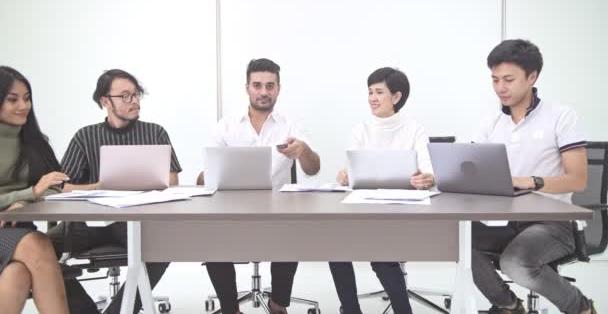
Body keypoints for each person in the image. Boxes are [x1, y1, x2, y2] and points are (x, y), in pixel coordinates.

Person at [472, 39, 596, 314]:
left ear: (532, 77)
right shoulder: (489, 123)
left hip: (556, 223)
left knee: (515, 262)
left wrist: (532, 181)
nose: (500, 88)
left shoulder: (561, 116)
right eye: (494, 80)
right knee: (456, 242)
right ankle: (508, 306)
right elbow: (475, 172)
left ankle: (582, 308)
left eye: (508, 80)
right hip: (505, 222)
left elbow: (578, 179)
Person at [47, 69, 182, 314]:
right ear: (105, 101)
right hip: (85, 225)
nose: (135, 101)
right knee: (38, 248)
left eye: (137, 95)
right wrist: (97, 187)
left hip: (135, 224)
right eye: (126, 96)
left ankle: (119, 311)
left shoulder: (155, 133)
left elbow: (172, 179)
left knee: (165, 247)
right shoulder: (85, 136)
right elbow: (60, 185)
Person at [197, 58, 320, 314]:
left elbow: (313, 168)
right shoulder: (226, 126)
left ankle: (278, 304)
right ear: (247, 88)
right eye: (257, 85)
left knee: (291, 230)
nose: (264, 92)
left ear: (278, 88)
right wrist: (208, 175)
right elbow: (205, 178)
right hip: (232, 210)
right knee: (210, 240)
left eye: (270, 86)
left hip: (279, 211)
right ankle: (231, 309)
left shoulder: (291, 126)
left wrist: (303, 151)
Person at [332, 67, 434, 314]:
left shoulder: (414, 129)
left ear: (396, 97)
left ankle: (402, 309)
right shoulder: (361, 129)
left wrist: (428, 178)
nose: (372, 98)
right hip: (365, 209)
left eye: (379, 92)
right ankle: (350, 309)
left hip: (402, 210)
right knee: (334, 247)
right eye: (369, 92)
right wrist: (344, 175)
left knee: (381, 250)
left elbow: (430, 171)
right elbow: (350, 172)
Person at [0, 66, 70, 314]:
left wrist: (25, 202)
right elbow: (37, 189)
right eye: (13, 99)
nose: (24, 105)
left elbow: (55, 188)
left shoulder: (35, 141)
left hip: (17, 231)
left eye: (27, 98)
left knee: (17, 275)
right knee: (39, 244)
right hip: (18, 237)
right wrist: (28, 194)